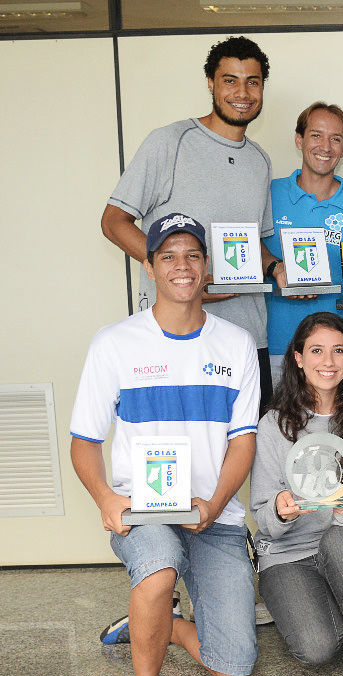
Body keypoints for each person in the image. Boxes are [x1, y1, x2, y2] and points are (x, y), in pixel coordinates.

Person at [70, 214, 259, 676]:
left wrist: (213, 504)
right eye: (168, 255)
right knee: (157, 571)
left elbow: (243, 443)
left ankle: (161, 624)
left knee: (232, 673)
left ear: (207, 266)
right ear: (149, 265)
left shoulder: (237, 344)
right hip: (145, 514)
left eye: (193, 255)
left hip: (213, 516)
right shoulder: (115, 344)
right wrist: (107, 499)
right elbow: (84, 440)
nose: (182, 265)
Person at [101, 36, 280, 410]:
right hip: (176, 336)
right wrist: (184, 278)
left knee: (247, 452)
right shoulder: (169, 142)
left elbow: (254, 242)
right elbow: (114, 221)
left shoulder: (260, 160)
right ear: (211, 83)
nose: (242, 92)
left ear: (262, 86)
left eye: (252, 81)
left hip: (247, 336)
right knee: (180, 451)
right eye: (229, 80)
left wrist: (277, 268)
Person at [251, 312, 343, 676]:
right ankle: (319, 602)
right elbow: (261, 514)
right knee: (317, 649)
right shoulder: (274, 424)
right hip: (288, 555)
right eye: (316, 351)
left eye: (338, 351)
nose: (327, 362)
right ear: (298, 358)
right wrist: (279, 510)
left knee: (340, 540)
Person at [263, 102, 343, 380]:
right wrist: (275, 268)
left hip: (340, 354)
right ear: (299, 139)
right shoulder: (268, 194)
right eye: (316, 135)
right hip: (278, 347)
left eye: (335, 138)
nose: (325, 146)